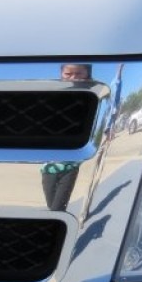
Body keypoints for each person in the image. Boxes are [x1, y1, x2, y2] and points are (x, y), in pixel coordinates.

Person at [41, 64, 92, 211]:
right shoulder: (53, 98)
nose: (73, 78)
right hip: (49, 167)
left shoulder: (91, 99)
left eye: (79, 74)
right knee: (51, 205)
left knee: (57, 209)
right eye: (68, 74)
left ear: (88, 75)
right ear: (61, 74)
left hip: (70, 167)